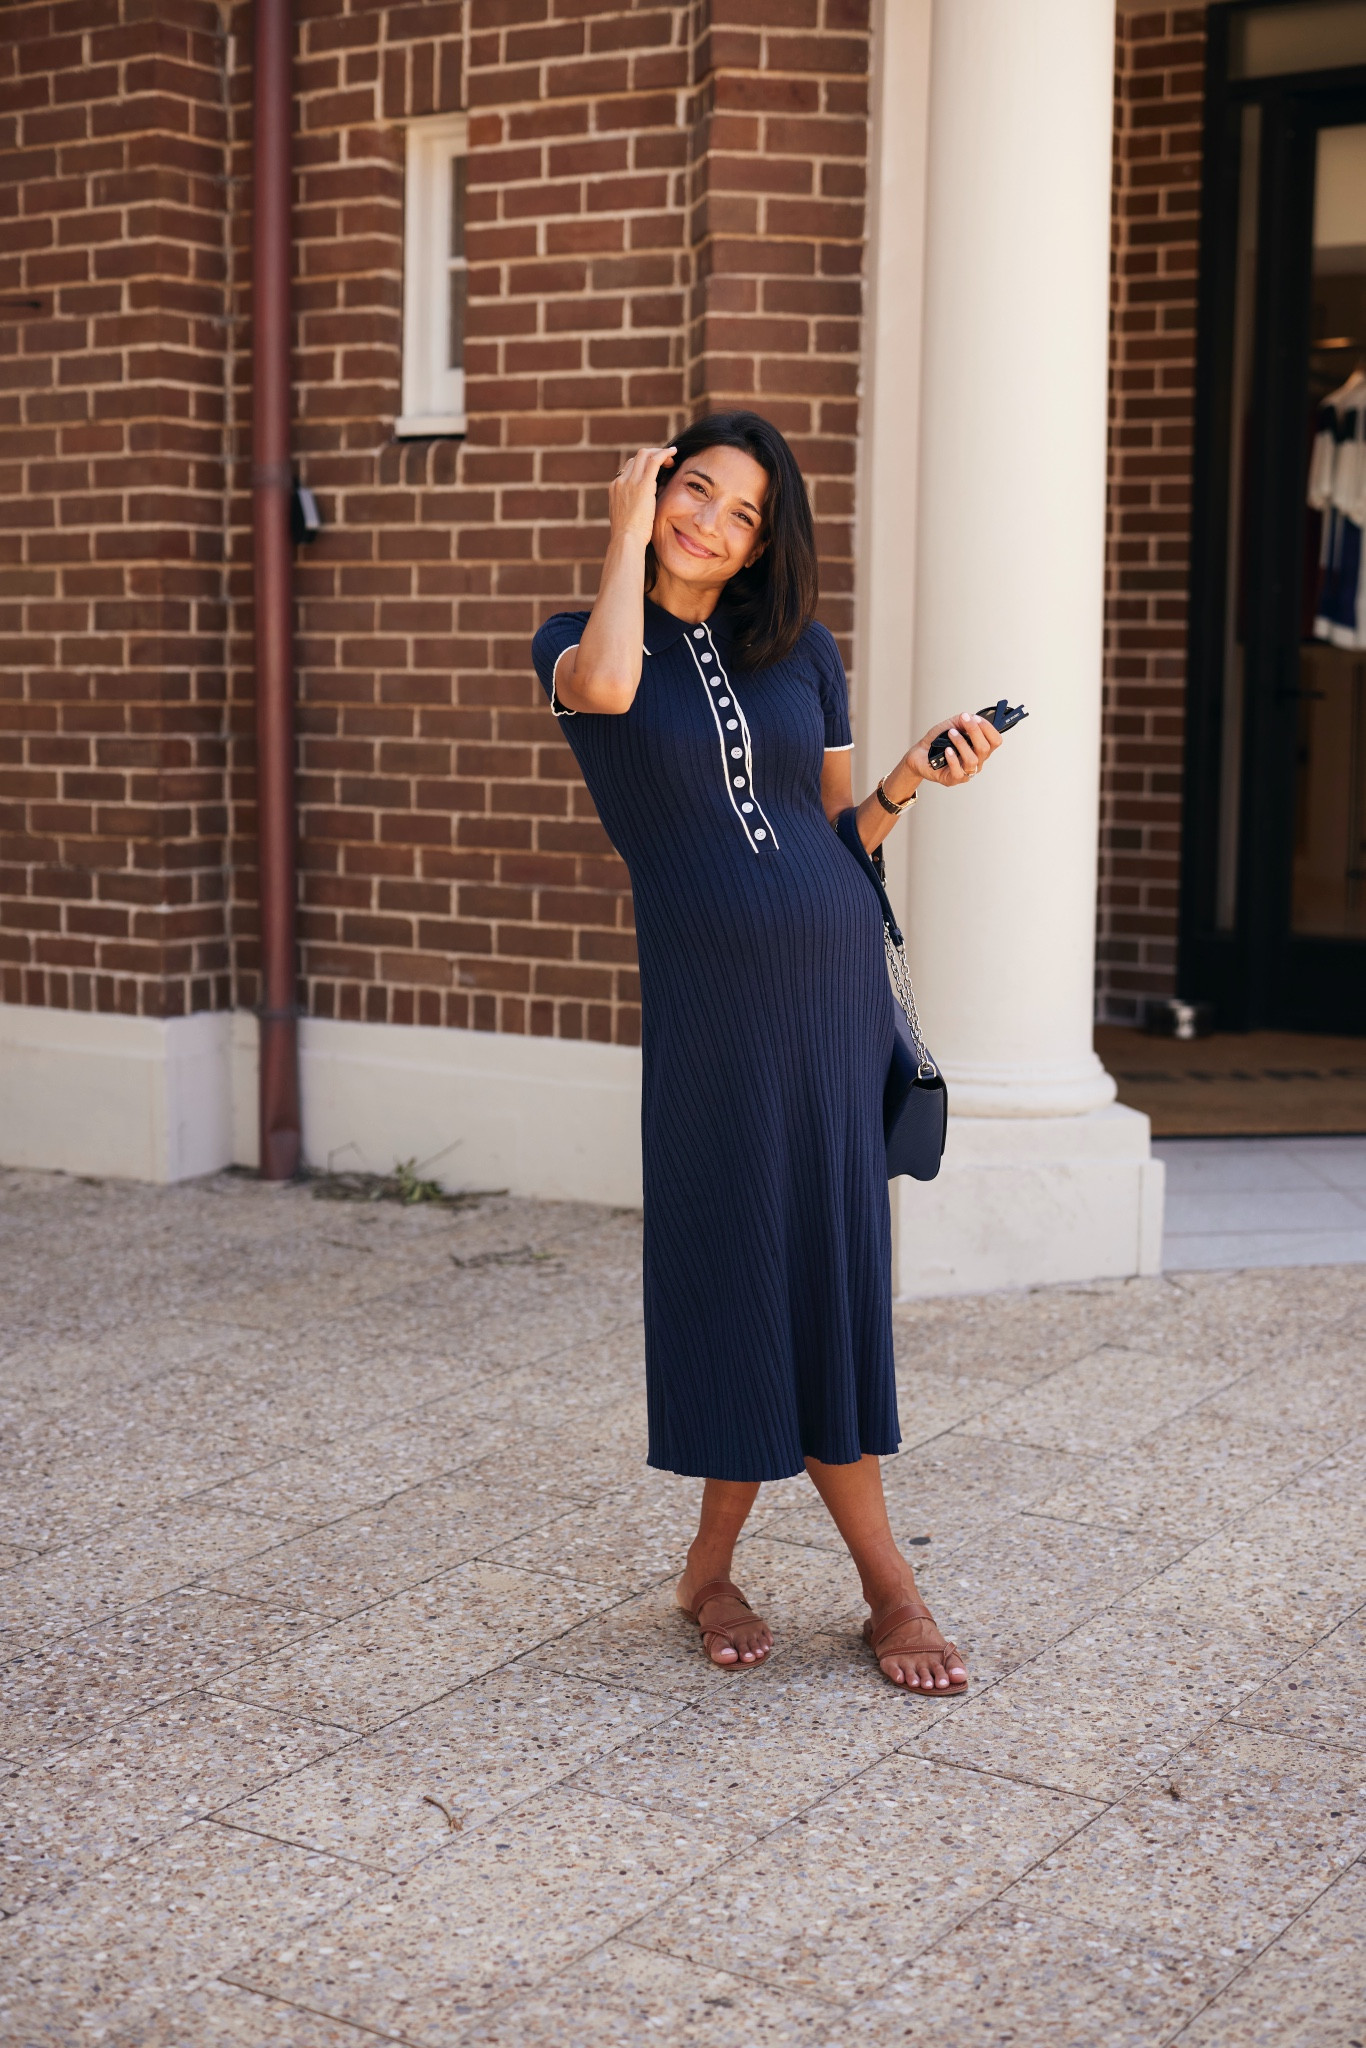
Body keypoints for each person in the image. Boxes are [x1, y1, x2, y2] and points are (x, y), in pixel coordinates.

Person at [531, 412, 1002, 1692]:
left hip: (832, 994)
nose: (715, 524)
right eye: (698, 492)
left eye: (744, 515)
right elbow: (615, 691)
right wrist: (626, 533)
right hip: (716, 1012)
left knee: (827, 1273)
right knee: (743, 1263)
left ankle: (872, 1586)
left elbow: (841, 832)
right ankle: (733, 1571)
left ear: (761, 543)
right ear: (656, 487)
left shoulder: (801, 652)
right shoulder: (576, 641)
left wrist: (908, 778)